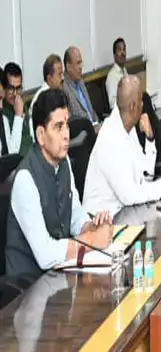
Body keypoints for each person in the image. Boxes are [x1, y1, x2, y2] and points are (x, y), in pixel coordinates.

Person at [5, 89, 113, 283]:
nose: (66, 135)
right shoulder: (25, 179)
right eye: (58, 127)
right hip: (28, 286)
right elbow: (45, 255)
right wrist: (92, 240)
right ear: (40, 135)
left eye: (67, 125)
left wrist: (91, 226)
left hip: (59, 274)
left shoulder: (64, 162)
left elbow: (74, 214)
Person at [82, 75, 161, 215]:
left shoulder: (128, 128)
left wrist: (149, 139)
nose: (143, 105)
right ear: (132, 107)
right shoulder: (110, 138)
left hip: (124, 213)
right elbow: (129, 196)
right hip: (101, 219)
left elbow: (144, 175)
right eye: (141, 101)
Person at [2, 62, 33, 157]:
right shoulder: (3, 114)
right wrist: (18, 116)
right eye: (11, 88)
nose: (15, 94)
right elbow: (12, 152)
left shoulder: (22, 105)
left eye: (18, 88)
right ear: (4, 88)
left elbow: (32, 136)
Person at [62, 46, 99, 125]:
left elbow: (91, 111)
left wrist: (98, 124)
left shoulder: (81, 82)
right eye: (78, 63)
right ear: (68, 67)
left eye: (81, 63)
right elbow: (71, 123)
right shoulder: (63, 89)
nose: (81, 67)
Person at [106, 37, 127, 110]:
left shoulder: (124, 70)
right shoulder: (112, 75)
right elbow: (112, 104)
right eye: (119, 50)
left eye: (124, 49)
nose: (123, 53)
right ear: (114, 55)